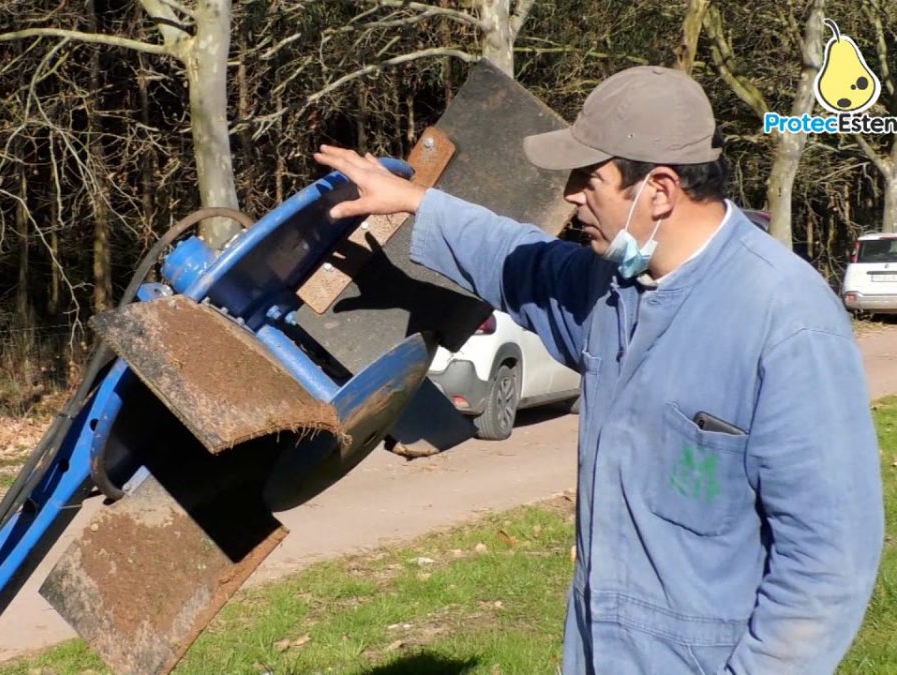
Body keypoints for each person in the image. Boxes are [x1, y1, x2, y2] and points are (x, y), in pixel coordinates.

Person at [315, 66, 883, 674]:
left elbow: (827, 559)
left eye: (591, 179)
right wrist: (417, 202)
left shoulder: (786, 320)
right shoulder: (613, 288)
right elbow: (516, 258)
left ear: (659, 191)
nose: (570, 196)